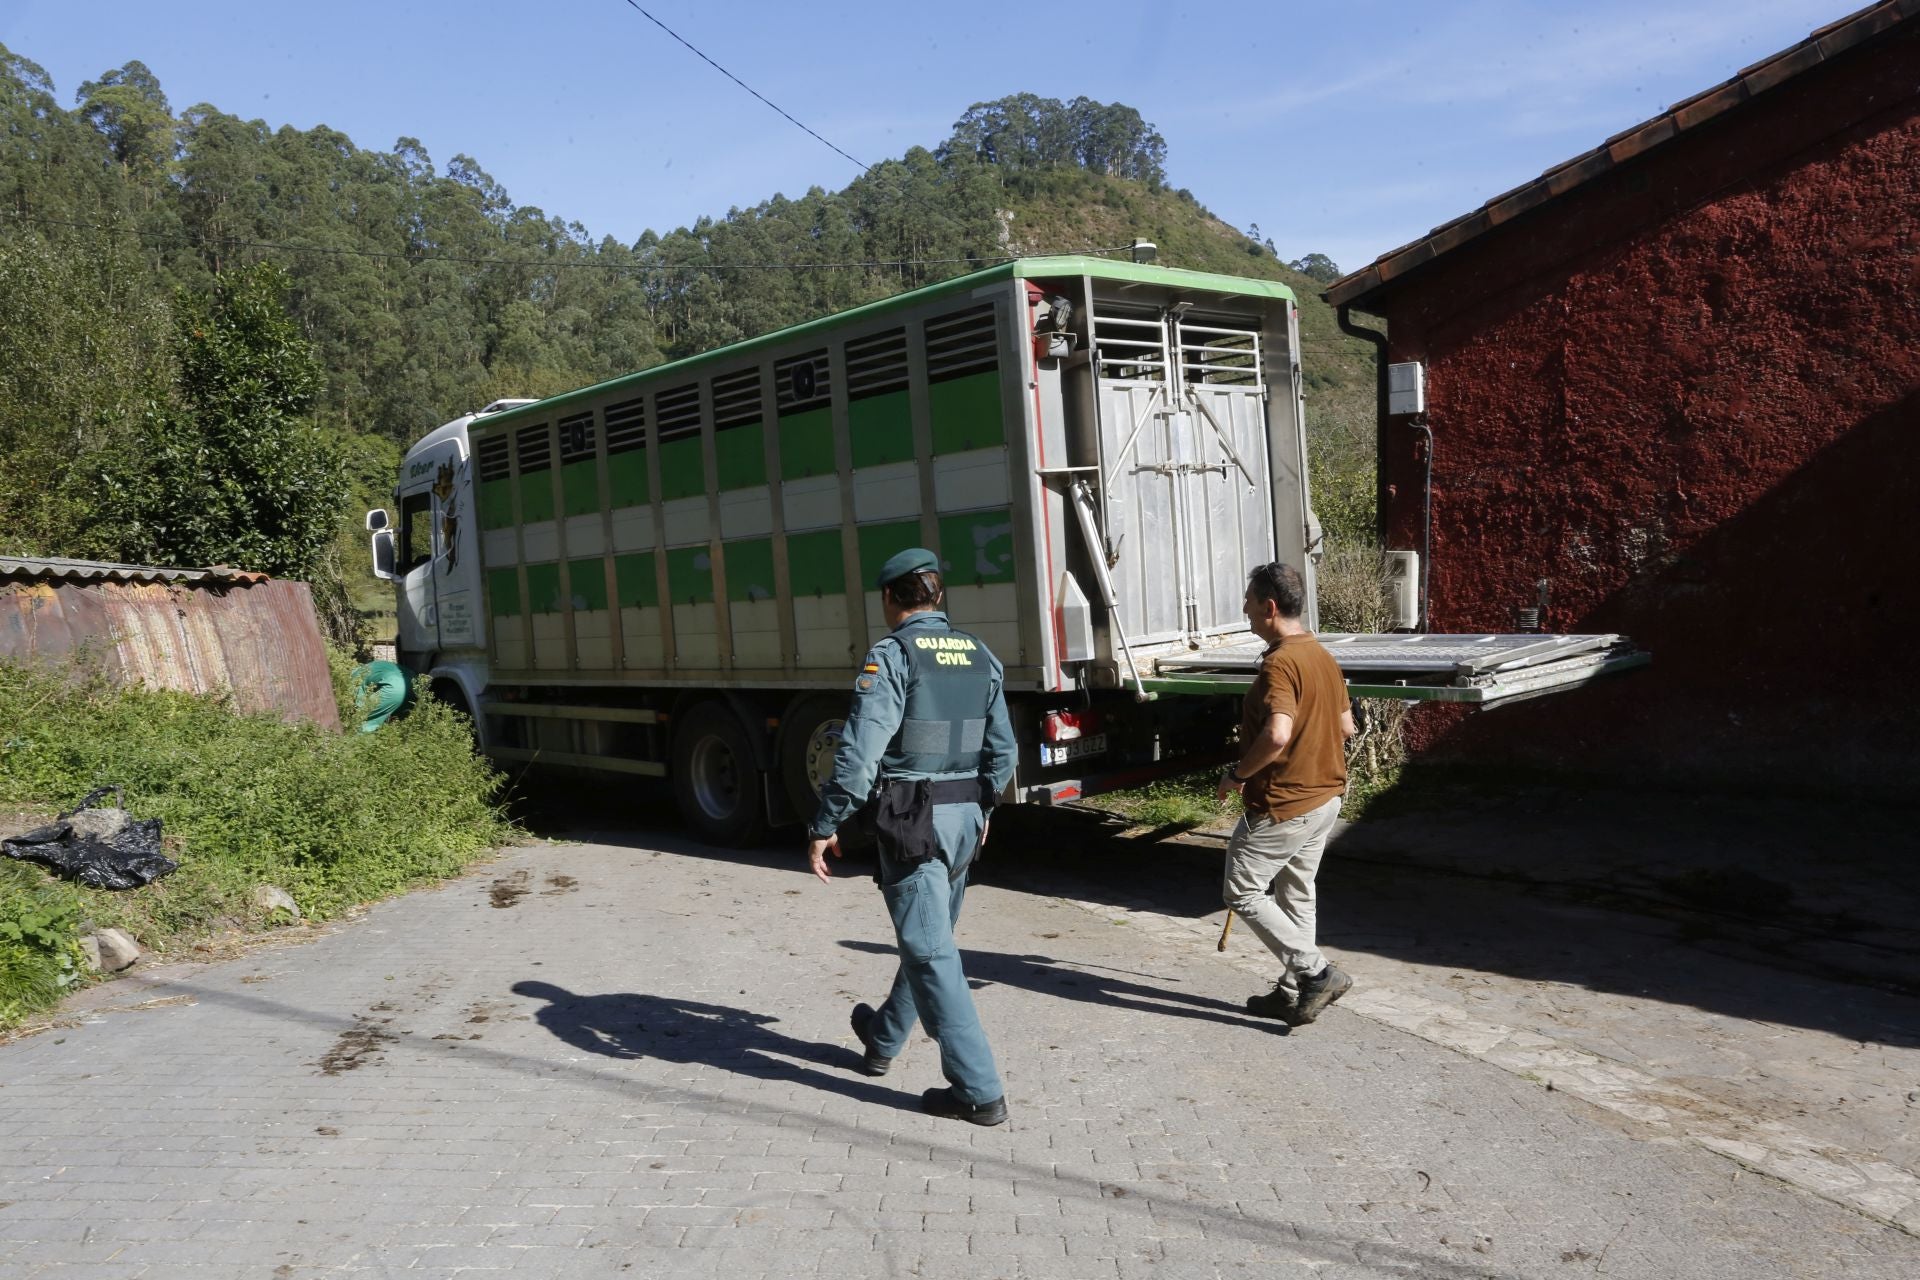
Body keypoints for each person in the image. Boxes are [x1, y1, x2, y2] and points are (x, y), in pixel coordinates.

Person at [806, 548, 1017, 1126]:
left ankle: (978, 1092)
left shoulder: (893, 656)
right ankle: (881, 1039)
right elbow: (1003, 752)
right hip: (965, 818)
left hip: (912, 822)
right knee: (930, 936)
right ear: (939, 596)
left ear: (888, 598)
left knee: (930, 952)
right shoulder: (979, 654)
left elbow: (858, 757)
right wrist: (984, 807)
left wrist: (825, 824)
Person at [1216, 562, 1357, 1027]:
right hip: (1325, 797)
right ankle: (1293, 992)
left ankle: (1316, 973)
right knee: (1296, 895)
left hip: (1285, 803)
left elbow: (1277, 735)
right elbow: (1346, 727)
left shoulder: (1279, 663)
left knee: (1242, 890)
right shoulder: (1322, 655)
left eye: (1249, 601)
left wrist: (1238, 774)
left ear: (1269, 607)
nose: (1245, 609)